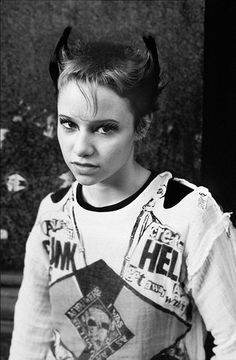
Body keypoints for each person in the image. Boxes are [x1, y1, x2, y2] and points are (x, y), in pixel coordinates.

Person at [9, 26, 236, 360]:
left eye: (105, 128)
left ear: (140, 126)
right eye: (68, 124)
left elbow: (233, 341)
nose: (81, 148)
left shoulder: (187, 213)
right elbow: (31, 336)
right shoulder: (53, 213)